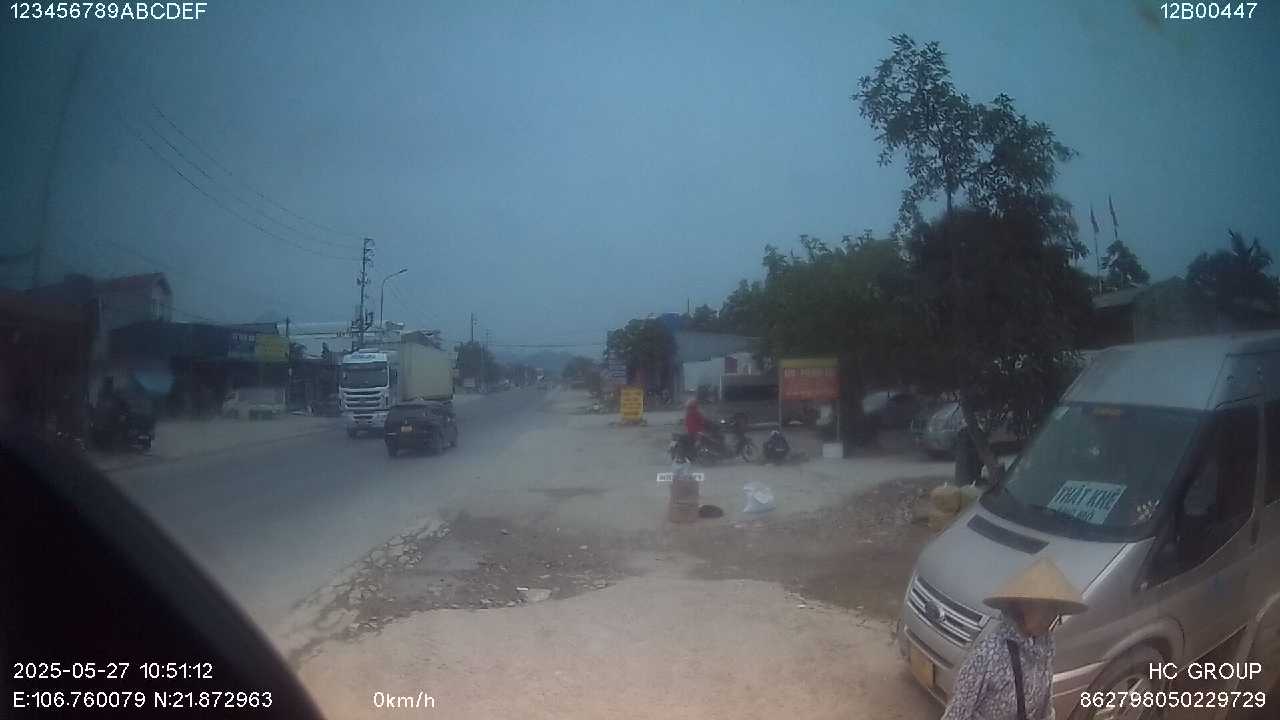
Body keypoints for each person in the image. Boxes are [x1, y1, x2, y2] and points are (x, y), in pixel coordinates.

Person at [942, 557, 1087, 720]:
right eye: (1044, 610)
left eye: (1054, 612)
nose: (1049, 619)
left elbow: (1046, 705)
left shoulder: (1045, 646)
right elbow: (956, 714)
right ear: (1020, 607)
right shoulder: (987, 655)